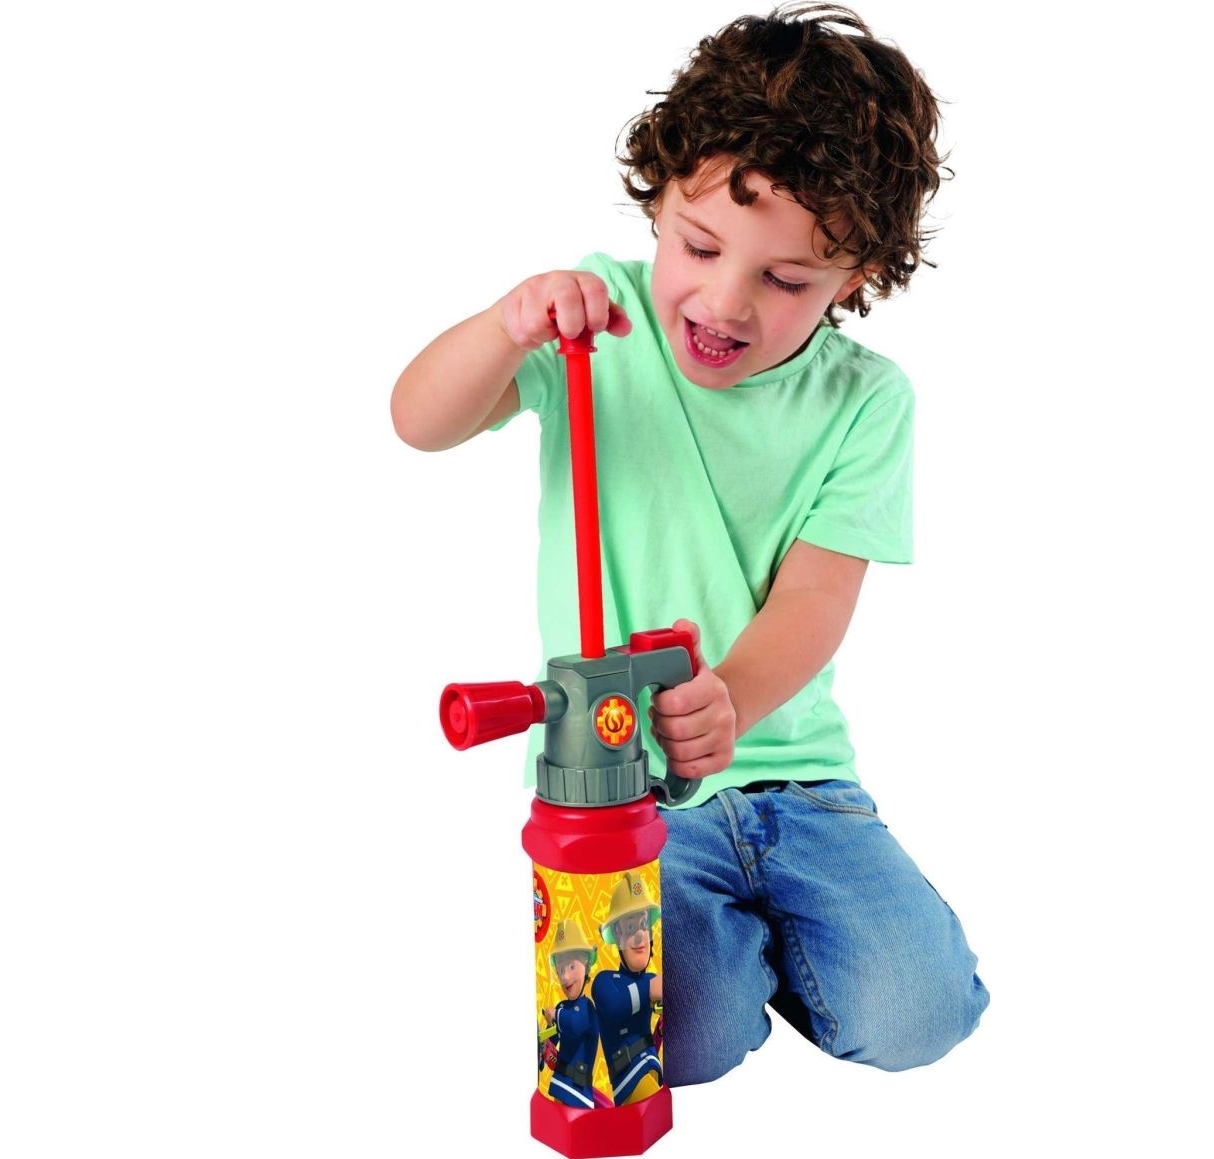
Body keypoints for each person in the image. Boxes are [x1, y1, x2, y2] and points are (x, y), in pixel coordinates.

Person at [392, 3, 988, 1086]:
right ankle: (733, 953)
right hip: (622, 784)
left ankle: (782, 944)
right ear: (657, 201)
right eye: (700, 246)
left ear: (854, 275)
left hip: (799, 780)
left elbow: (814, 599)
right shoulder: (591, 323)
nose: (724, 298)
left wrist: (734, 703)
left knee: (922, 1015)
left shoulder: (866, 402)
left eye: (786, 278)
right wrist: (504, 326)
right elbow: (418, 420)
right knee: (673, 1044)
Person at [590, 872, 665, 1105]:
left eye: (643, 925)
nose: (640, 934)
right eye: (631, 927)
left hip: (653, 1070)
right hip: (628, 1079)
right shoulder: (605, 982)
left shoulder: (653, 979)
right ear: (617, 935)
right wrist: (650, 989)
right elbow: (615, 1005)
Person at [541, 918, 603, 1109]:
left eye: (571, 967)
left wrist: (555, 1015)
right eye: (561, 970)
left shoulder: (587, 1008)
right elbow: (553, 1038)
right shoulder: (562, 1007)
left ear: (586, 964)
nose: (565, 976)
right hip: (560, 1084)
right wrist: (544, 1043)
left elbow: (574, 1025)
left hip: (578, 1093)